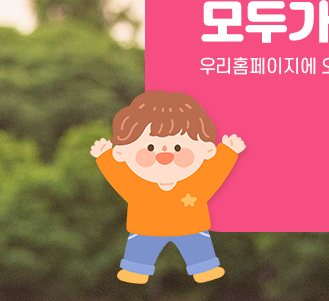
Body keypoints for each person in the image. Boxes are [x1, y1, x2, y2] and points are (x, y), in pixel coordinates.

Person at [89, 91, 246, 284]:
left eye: (178, 147)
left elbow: (214, 173)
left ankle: (203, 266)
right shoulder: (138, 186)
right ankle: (136, 268)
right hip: (148, 227)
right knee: (141, 249)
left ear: (206, 150)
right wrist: (105, 157)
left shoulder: (196, 183)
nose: (165, 155)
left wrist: (227, 153)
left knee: (196, 246)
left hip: (188, 226)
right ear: (123, 152)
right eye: (150, 148)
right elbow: (119, 177)